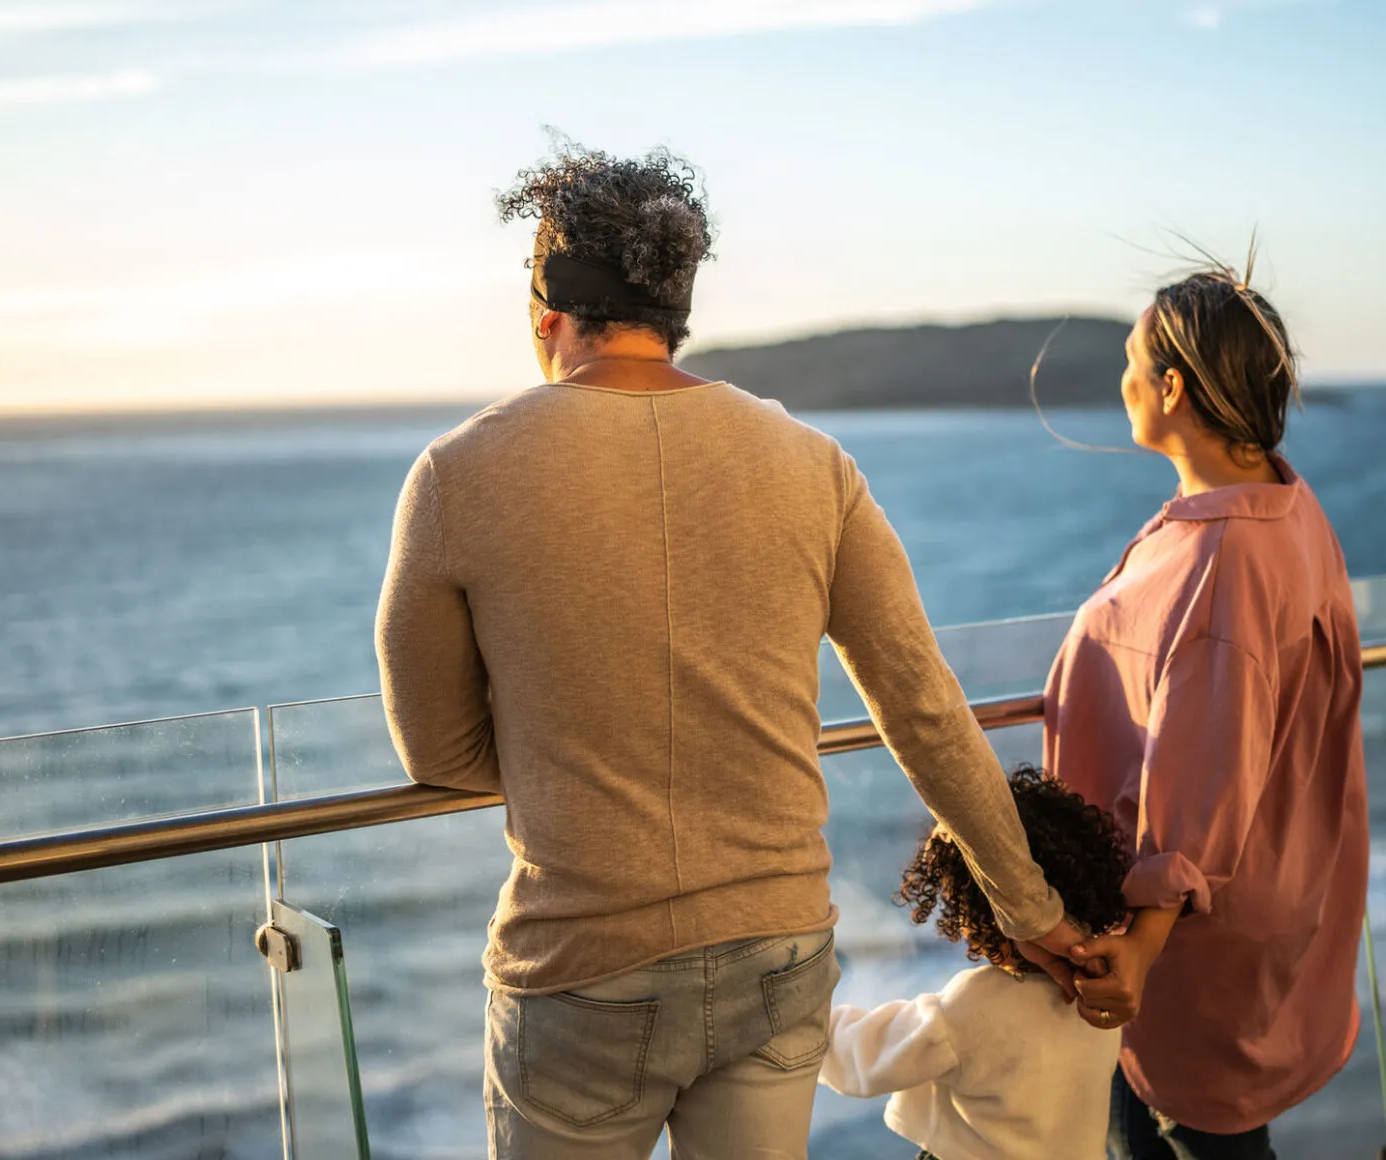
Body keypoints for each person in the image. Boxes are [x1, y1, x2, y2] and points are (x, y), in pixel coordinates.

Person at [373, 142, 1086, 1160]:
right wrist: (1031, 907)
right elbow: (923, 707)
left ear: (546, 320)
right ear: (674, 314)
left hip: (583, 958)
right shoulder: (810, 463)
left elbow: (435, 753)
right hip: (775, 947)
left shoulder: (458, 473)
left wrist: (572, 750)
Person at [1034, 261, 1370, 1159]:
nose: (1124, 382)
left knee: (1189, 1139)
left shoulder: (1225, 559)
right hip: (1241, 902)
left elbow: (1206, 776)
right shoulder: (1283, 504)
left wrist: (1141, 948)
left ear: (1172, 387)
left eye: (1132, 361)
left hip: (1182, 944)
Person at [819, 764, 1132, 1159]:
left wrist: (804, 1022)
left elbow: (869, 1057)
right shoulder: (1102, 989)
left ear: (984, 913)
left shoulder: (977, 1003)